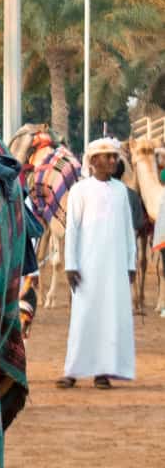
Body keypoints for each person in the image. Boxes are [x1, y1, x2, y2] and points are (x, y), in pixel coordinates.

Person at [57, 137, 136, 390]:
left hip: (114, 268)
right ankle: (72, 371)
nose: (113, 161)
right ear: (93, 161)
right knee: (83, 317)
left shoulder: (121, 191)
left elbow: (127, 230)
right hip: (86, 266)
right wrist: (71, 264)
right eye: (107, 156)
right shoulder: (80, 190)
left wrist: (130, 264)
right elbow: (72, 230)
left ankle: (103, 372)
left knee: (110, 317)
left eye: (114, 156)